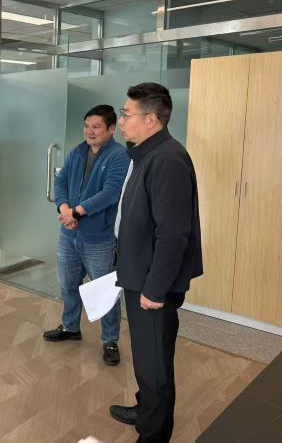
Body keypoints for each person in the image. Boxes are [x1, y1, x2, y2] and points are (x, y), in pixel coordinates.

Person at [109, 83, 203, 443]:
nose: (120, 121)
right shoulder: (146, 154)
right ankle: (145, 407)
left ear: (151, 119)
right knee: (146, 357)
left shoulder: (167, 160)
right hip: (140, 276)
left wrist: (154, 289)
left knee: (156, 365)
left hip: (153, 285)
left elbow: (173, 234)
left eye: (126, 114)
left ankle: (154, 434)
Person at [43, 105, 130, 366]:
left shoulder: (119, 155)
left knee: (105, 292)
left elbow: (111, 193)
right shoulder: (78, 152)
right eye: (86, 126)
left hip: (99, 239)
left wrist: (76, 213)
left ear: (111, 129)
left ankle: (110, 340)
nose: (89, 132)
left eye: (96, 127)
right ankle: (71, 327)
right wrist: (64, 208)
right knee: (68, 285)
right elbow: (60, 181)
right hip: (69, 235)